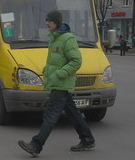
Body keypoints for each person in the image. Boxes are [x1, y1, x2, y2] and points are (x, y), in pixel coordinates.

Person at [18, 11, 95, 157]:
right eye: (46, 20)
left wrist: (60, 74)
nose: (47, 23)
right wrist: (47, 70)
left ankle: (36, 145)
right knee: (73, 113)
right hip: (58, 83)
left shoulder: (67, 39)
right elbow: (56, 60)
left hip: (61, 83)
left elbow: (76, 61)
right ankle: (88, 139)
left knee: (50, 115)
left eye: (50, 21)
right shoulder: (54, 37)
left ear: (56, 22)